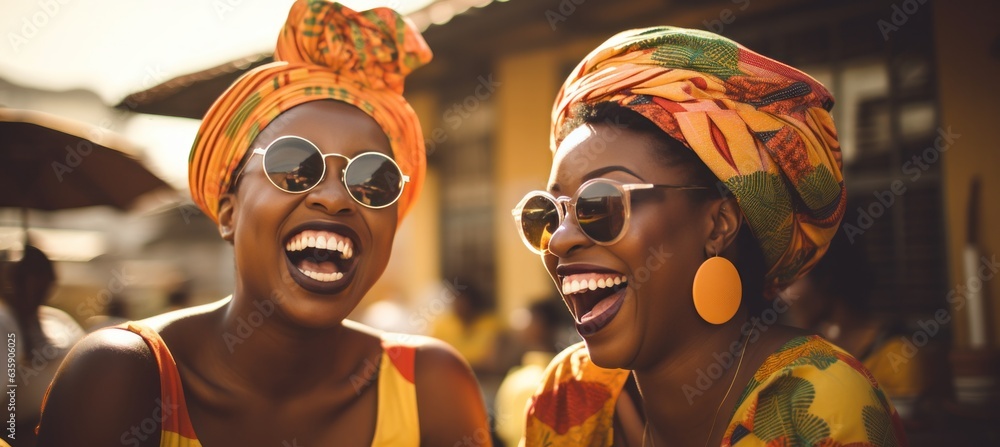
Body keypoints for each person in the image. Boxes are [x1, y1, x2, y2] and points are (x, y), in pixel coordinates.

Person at [36, 2, 490, 446]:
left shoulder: (432, 388)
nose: (334, 197)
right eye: (294, 165)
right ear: (229, 213)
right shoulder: (125, 377)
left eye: (373, 179)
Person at [511, 27, 908, 446]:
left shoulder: (818, 407)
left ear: (719, 224)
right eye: (547, 214)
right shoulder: (569, 396)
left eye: (600, 204)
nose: (558, 240)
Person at [781, 228, 929, 421]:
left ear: (826, 279)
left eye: (792, 279)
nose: (783, 294)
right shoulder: (806, 354)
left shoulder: (898, 357)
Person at [0, 245, 85, 447]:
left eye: (40, 274)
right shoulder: (4, 323)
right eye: (21, 277)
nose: (31, 284)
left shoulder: (58, 319)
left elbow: (86, 362)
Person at [494, 296, 573, 446]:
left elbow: (508, 432)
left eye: (526, 318)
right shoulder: (570, 370)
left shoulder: (524, 380)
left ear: (539, 324)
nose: (519, 325)